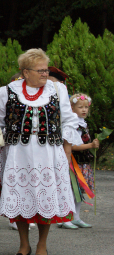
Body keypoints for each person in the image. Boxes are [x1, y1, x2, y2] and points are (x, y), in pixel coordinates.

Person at [0, 49, 83, 255]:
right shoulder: (6, 91)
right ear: (25, 72)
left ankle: (42, 245)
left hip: (49, 153)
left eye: (46, 69)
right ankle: (24, 244)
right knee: (21, 197)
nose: (45, 74)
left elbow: (69, 122)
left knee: (46, 198)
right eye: (40, 70)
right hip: (17, 154)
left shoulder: (57, 90)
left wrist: (66, 153)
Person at [57, 93, 98, 229]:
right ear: (72, 108)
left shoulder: (83, 124)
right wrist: (90, 145)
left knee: (78, 191)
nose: (84, 110)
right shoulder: (73, 124)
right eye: (80, 107)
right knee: (70, 189)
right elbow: (72, 145)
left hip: (83, 163)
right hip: (74, 163)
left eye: (86, 107)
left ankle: (76, 217)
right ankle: (64, 218)